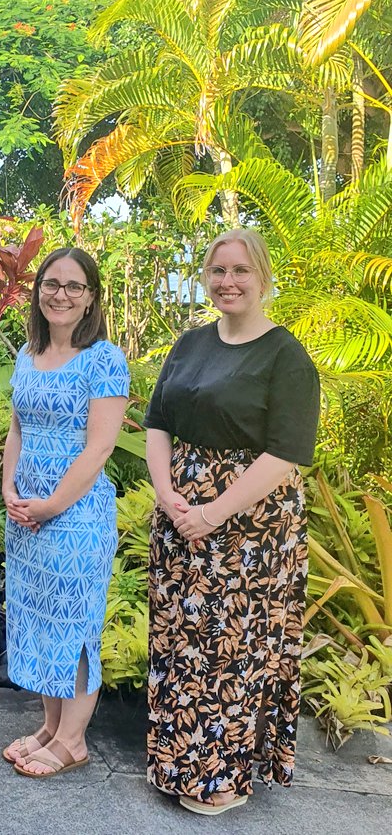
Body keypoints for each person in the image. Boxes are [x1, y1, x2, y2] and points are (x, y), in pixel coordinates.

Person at [144, 228, 320, 816]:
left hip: (252, 525)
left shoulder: (285, 356)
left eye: (241, 271)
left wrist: (215, 512)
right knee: (180, 640)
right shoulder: (190, 343)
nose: (229, 282)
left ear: (262, 276)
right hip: (180, 514)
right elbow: (158, 422)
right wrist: (168, 494)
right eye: (219, 271)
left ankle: (221, 776)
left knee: (232, 649)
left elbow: (286, 453)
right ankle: (175, 762)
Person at [0, 246, 130, 779]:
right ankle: (51, 728)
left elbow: (99, 447)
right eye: (51, 283)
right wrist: (7, 487)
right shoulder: (27, 355)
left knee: (73, 624)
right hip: (25, 512)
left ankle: (73, 740)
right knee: (39, 620)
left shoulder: (104, 359)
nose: (61, 294)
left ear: (90, 298)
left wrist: (51, 504)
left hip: (74, 516)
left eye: (74, 286)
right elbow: (16, 429)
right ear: (38, 291)